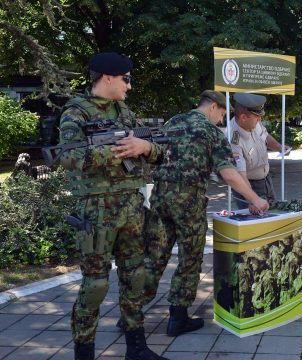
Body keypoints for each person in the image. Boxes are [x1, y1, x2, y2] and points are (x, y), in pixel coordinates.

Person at [58, 52, 166, 360]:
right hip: (97, 213)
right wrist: (118, 151)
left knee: (136, 277)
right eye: (126, 80)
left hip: (132, 208)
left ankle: (137, 347)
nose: (129, 87)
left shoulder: (125, 112)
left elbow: (156, 147)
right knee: (95, 285)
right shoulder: (75, 113)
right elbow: (69, 157)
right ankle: (84, 353)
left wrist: (144, 147)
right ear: (108, 78)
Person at [142, 90, 269, 337]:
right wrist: (255, 199)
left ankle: (131, 313)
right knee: (189, 258)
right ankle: (177, 318)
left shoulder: (173, 122)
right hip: (188, 202)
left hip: (159, 197)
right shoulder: (212, 133)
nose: (221, 120)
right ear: (213, 107)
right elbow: (229, 174)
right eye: (221, 114)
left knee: (153, 255)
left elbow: (154, 155)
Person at [229, 93, 290, 208]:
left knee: (273, 215)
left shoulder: (254, 122)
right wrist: (253, 199)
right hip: (248, 186)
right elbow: (241, 176)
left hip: (266, 180)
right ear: (243, 117)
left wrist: (279, 147)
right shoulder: (233, 139)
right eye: (257, 117)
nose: (259, 120)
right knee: (253, 223)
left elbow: (265, 136)